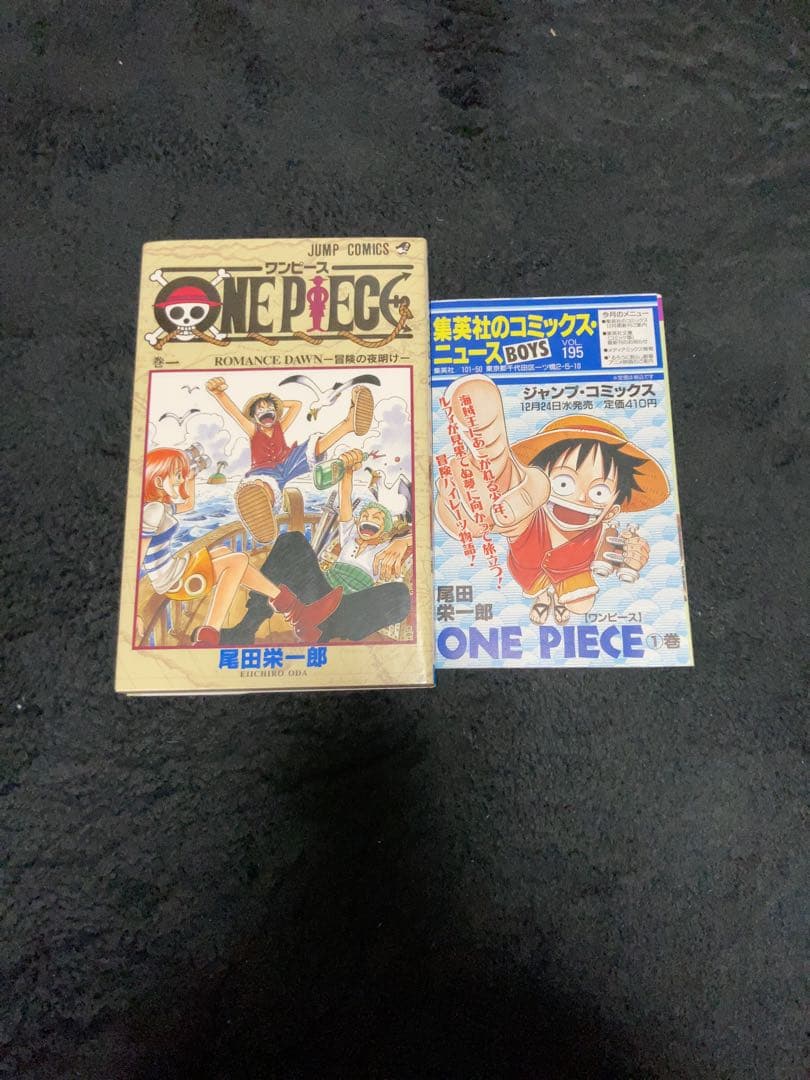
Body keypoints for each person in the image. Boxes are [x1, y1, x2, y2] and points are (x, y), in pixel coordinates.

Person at [434, 375, 668, 624]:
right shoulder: (530, 516)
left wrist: (632, 559)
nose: (580, 497)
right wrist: (475, 504)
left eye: (599, 492)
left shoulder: (601, 532)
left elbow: (613, 556)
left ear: (611, 511)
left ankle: (557, 597)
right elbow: (505, 513)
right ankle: (545, 596)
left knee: (581, 604)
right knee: (543, 589)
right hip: (530, 571)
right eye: (563, 483)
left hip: (574, 573)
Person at [139, 448, 341, 646]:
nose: (181, 479)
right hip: (173, 580)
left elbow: (188, 506)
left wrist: (192, 477)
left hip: (177, 570)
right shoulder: (154, 510)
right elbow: (139, 554)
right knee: (238, 561)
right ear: (158, 481)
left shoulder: (160, 506)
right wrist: (136, 610)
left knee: (226, 552)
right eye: (177, 475)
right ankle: (208, 636)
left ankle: (297, 613)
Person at [221, 451, 413, 645]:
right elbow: (345, 497)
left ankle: (321, 625)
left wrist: (403, 541)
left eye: (377, 517)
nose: (369, 518)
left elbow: (419, 536)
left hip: (347, 607)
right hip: (320, 593)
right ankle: (246, 628)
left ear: (385, 528)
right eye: (365, 515)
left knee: (400, 595)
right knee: (292, 540)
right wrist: (347, 471)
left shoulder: (386, 547)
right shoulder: (349, 536)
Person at [205, 376, 374, 544]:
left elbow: (296, 405)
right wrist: (219, 394)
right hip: (264, 471)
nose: (266, 411)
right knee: (263, 486)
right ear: (253, 416)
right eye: (260, 409)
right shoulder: (253, 430)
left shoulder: (280, 426)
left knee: (313, 448)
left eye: (269, 409)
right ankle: (257, 508)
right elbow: (235, 413)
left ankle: (348, 424)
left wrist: (277, 403)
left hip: (287, 463)